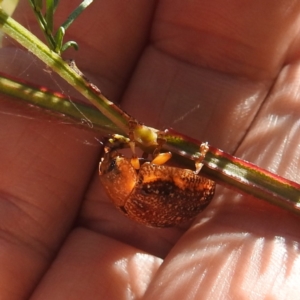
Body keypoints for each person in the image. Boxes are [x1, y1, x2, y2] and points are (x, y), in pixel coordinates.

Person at [1, 1, 300, 298]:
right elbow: (160, 168)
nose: (121, 157)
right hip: (193, 191)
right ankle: (197, 163)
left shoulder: (127, 184)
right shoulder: (135, 184)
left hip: (176, 200)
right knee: (166, 175)